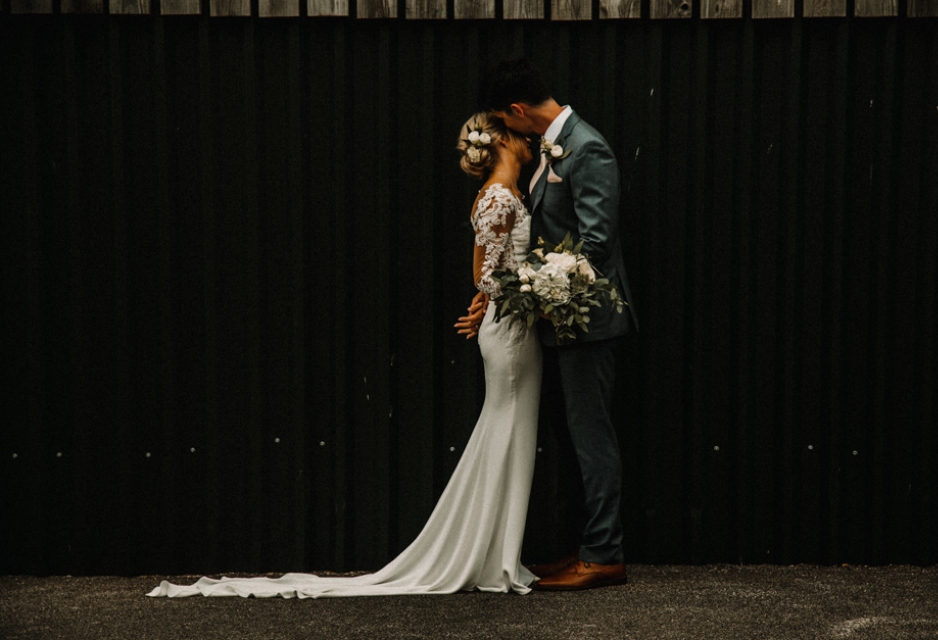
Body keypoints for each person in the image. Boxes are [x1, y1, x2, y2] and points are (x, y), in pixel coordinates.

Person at [147, 113, 541, 598]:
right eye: (523, 135)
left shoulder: (510, 193)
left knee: (511, 430)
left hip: (511, 326)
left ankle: (498, 553)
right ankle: (490, 557)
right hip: (510, 332)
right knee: (506, 428)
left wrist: (506, 290)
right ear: (501, 140)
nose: (531, 140)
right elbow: (484, 272)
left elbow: (492, 271)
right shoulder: (500, 197)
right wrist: (530, 287)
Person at [470, 58, 639, 591]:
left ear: (519, 111)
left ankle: (604, 555)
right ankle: (583, 547)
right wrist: (501, 293)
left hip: (590, 321)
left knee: (592, 439)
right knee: (574, 439)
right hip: (558, 321)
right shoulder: (549, 149)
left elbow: (594, 247)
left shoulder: (588, 149)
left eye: (505, 119)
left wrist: (525, 291)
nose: (506, 131)